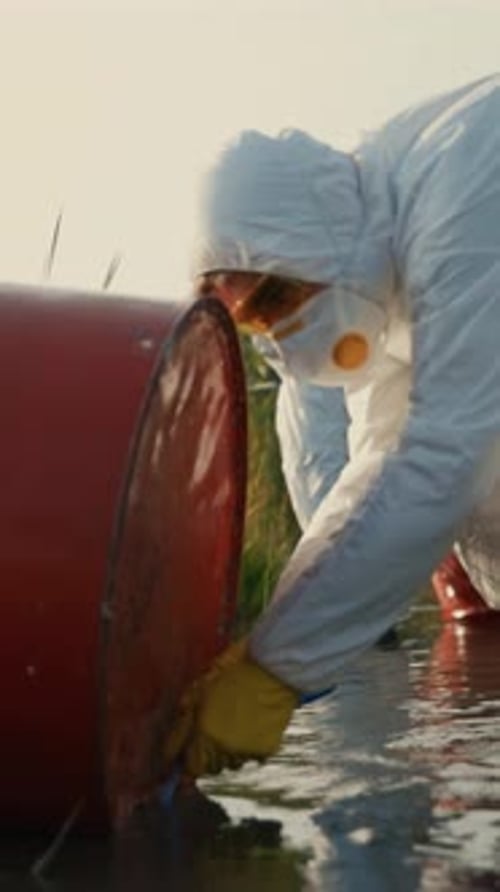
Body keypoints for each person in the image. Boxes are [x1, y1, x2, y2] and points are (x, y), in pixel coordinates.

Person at [164, 74, 500, 779]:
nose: (280, 335)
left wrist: (277, 670)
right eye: (255, 322)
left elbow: (444, 457)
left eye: (278, 300)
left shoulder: (461, 203)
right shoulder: (387, 256)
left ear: (317, 243)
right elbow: (379, 467)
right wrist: (265, 652)